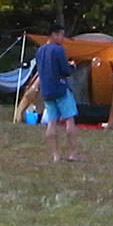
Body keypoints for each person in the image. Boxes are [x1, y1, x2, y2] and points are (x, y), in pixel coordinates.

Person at [33, 26, 80, 163]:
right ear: (53, 35)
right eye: (61, 35)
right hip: (60, 89)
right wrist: (72, 66)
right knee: (69, 120)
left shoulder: (40, 51)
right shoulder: (58, 50)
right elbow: (65, 70)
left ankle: (56, 155)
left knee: (51, 122)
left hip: (47, 90)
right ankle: (73, 154)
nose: (62, 39)